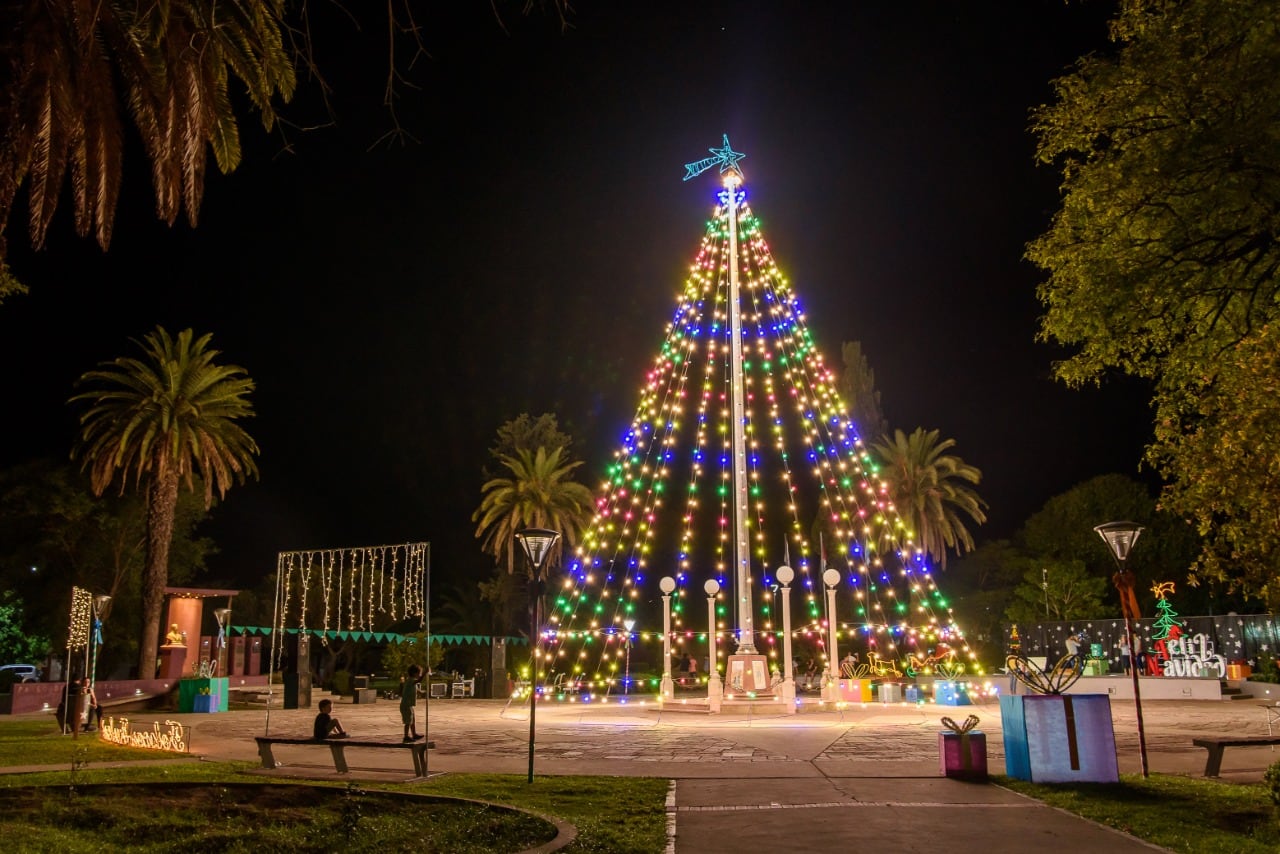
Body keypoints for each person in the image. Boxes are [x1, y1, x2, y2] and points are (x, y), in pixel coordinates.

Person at [400, 664, 424, 742]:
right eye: (419, 673)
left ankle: (414, 734)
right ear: (414, 673)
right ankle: (406, 737)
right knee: (408, 721)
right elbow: (419, 680)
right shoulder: (410, 680)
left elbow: (417, 689)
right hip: (406, 705)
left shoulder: (412, 682)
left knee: (412, 720)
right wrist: (425, 673)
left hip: (409, 705)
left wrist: (422, 692)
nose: (419, 675)